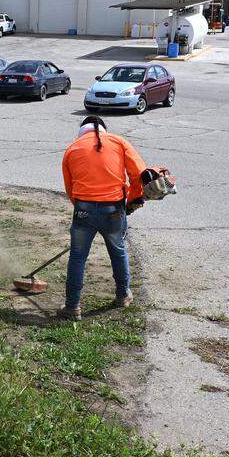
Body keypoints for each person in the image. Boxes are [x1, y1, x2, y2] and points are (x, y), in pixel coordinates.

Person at [58, 116, 147, 319]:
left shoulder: (72, 148)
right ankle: (123, 295)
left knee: (77, 256)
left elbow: (70, 188)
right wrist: (132, 200)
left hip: (84, 209)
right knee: (118, 251)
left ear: (82, 131)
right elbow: (139, 174)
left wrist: (83, 209)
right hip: (114, 209)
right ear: (104, 129)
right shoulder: (119, 142)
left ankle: (72, 307)